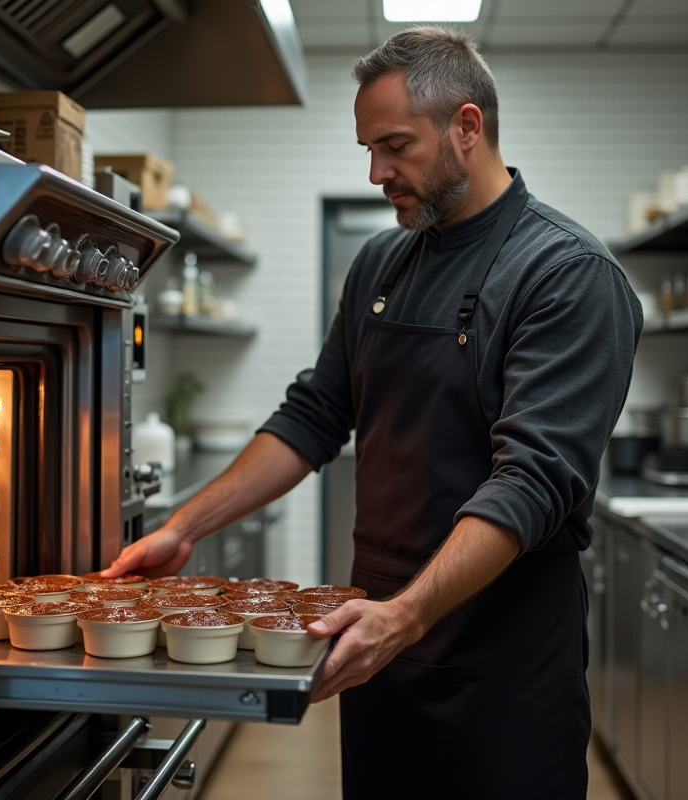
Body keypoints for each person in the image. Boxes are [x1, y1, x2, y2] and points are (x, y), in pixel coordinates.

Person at [102, 25, 642, 799]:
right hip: (379, 644)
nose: (376, 172)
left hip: (503, 662)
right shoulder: (381, 263)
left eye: (395, 147)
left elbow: (532, 481)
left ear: (466, 127)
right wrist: (185, 527)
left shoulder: (565, 273)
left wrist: (409, 614)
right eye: (368, 149)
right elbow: (315, 414)